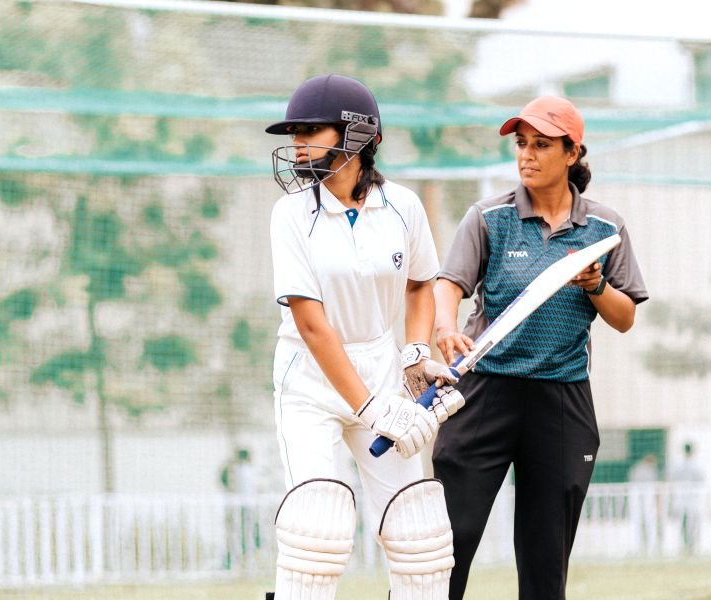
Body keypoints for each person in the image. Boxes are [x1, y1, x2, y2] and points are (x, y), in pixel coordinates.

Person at [432, 95, 649, 600]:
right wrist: (445, 326)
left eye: (542, 145)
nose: (527, 155)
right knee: (447, 543)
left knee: (545, 556)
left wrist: (595, 285)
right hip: (483, 394)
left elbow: (625, 317)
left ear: (572, 153)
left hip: (561, 402)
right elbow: (448, 284)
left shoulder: (605, 228)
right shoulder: (489, 217)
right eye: (521, 144)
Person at [266, 73, 464, 600]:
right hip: (311, 384)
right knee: (318, 529)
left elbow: (422, 282)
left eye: (312, 130)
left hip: (380, 368)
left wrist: (416, 350)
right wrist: (373, 409)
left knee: (419, 533)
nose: (297, 143)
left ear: (358, 136)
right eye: (295, 132)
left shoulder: (403, 206)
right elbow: (311, 324)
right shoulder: (290, 214)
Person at [668, 442, 705, 555]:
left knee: (684, 523)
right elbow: (701, 479)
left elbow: (672, 478)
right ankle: (690, 546)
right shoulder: (696, 465)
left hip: (681, 498)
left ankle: (686, 545)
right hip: (691, 499)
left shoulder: (677, 465)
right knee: (691, 523)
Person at [628, 453, 661, 555]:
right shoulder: (650, 472)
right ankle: (650, 547)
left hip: (637, 502)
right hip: (645, 502)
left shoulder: (635, 469)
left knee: (639, 525)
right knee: (649, 524)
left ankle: (639, 547)